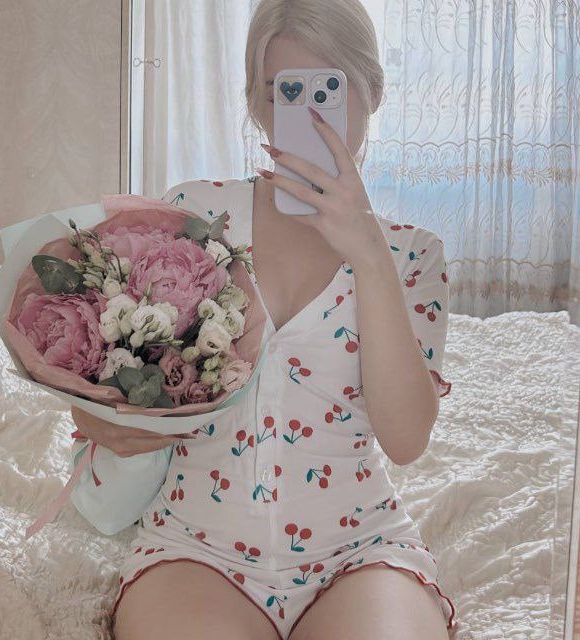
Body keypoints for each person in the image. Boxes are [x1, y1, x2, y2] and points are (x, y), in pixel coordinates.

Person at [73, 1, 457, 638]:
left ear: (372, 92)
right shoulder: (195, 217)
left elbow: (407, 440)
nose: (310, 115)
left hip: (359, 551)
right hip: (196, 548)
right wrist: (99, 415)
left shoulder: (413, 254)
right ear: (258, 103)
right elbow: (119, 369)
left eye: (329, 88)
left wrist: (368, 254)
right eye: (286, 91)